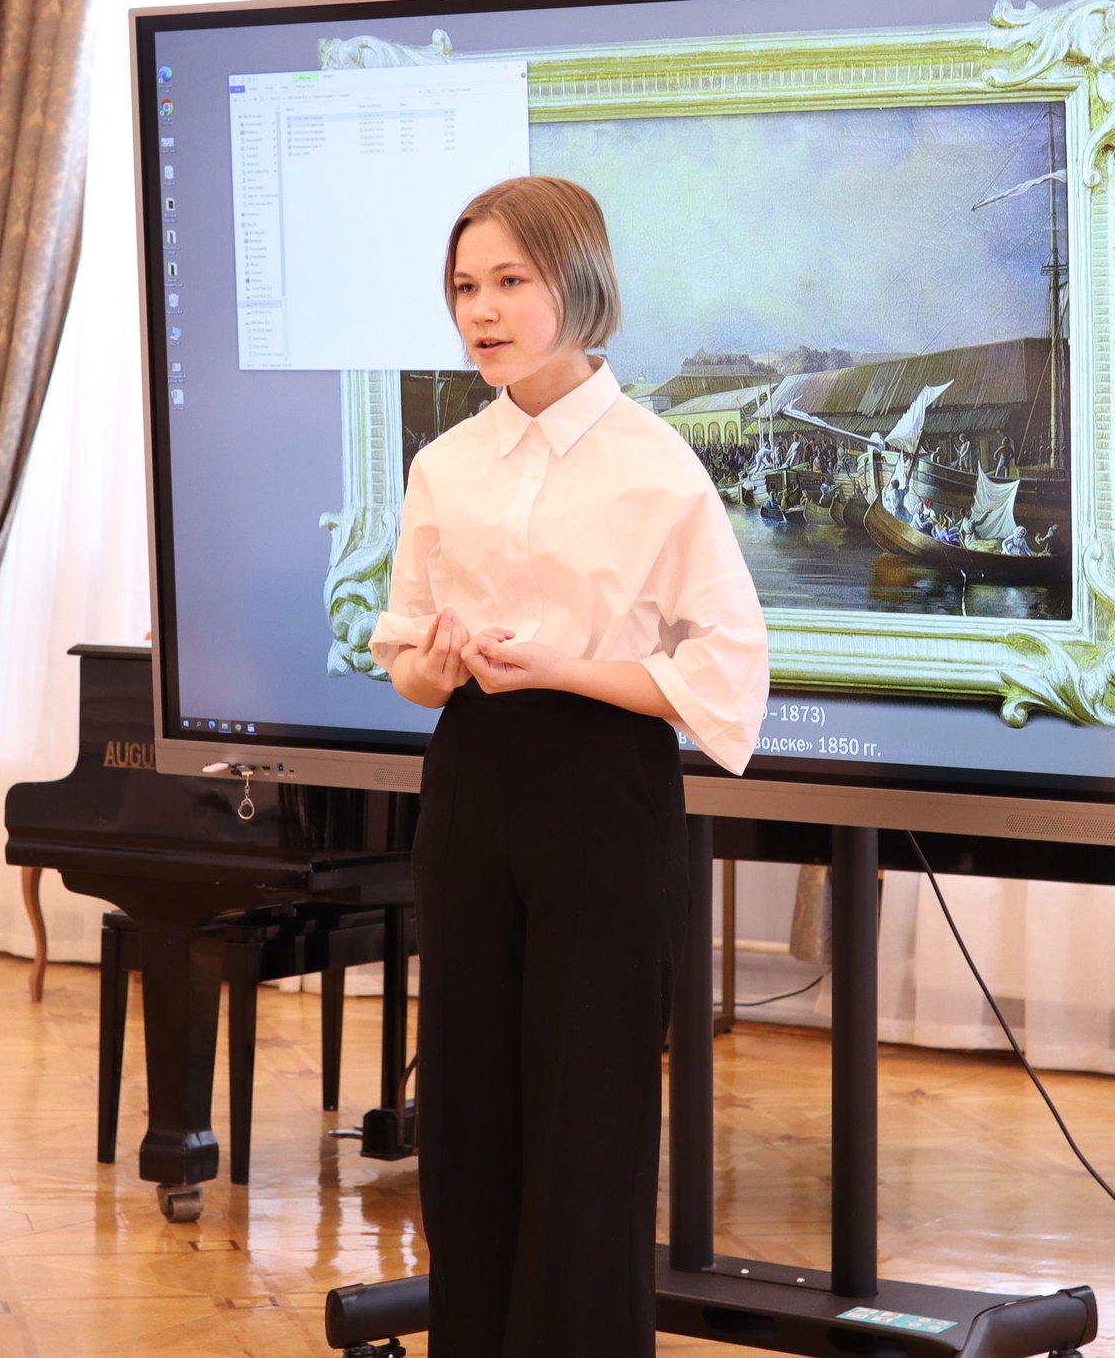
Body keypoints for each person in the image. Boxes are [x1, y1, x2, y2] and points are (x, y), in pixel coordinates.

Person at [371, 176, 768, 1354]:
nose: (480, 311)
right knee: (466, 1117)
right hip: (469, 786)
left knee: (587, 1129)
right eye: (463, 287)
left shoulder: (658, 465)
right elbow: (405, 664)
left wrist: (563, 667)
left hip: (604, 797)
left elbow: (726, 679)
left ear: (577, 285)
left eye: (509, 281)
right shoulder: (445, 464)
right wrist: (435, 664)